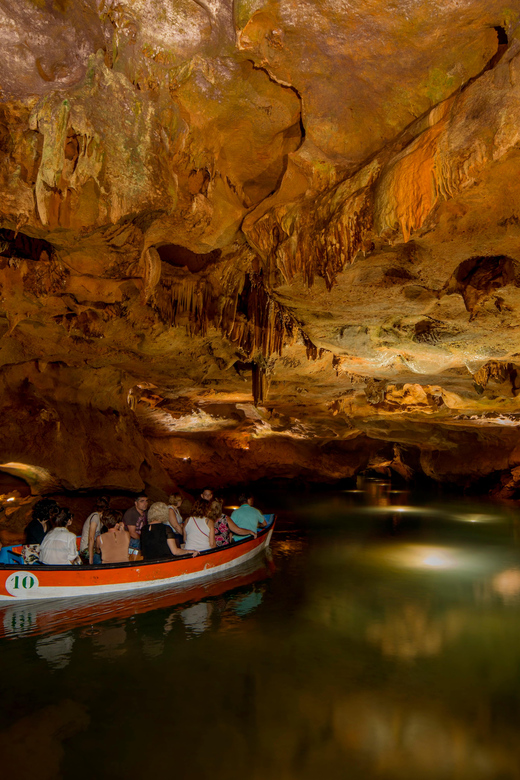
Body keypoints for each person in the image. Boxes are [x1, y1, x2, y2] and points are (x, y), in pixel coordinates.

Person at [22, 498, 60, 564]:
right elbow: (43, 542)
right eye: (53, 511)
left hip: (42, 552)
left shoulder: (48, 523)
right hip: (32, 556)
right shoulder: (34, 525)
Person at [79, 497, 110, 565]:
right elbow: (91, 538)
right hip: (86, 549)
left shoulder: (100, 519)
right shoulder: (95, 517)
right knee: (101, 561)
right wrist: (91, 557)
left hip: (93, 548)